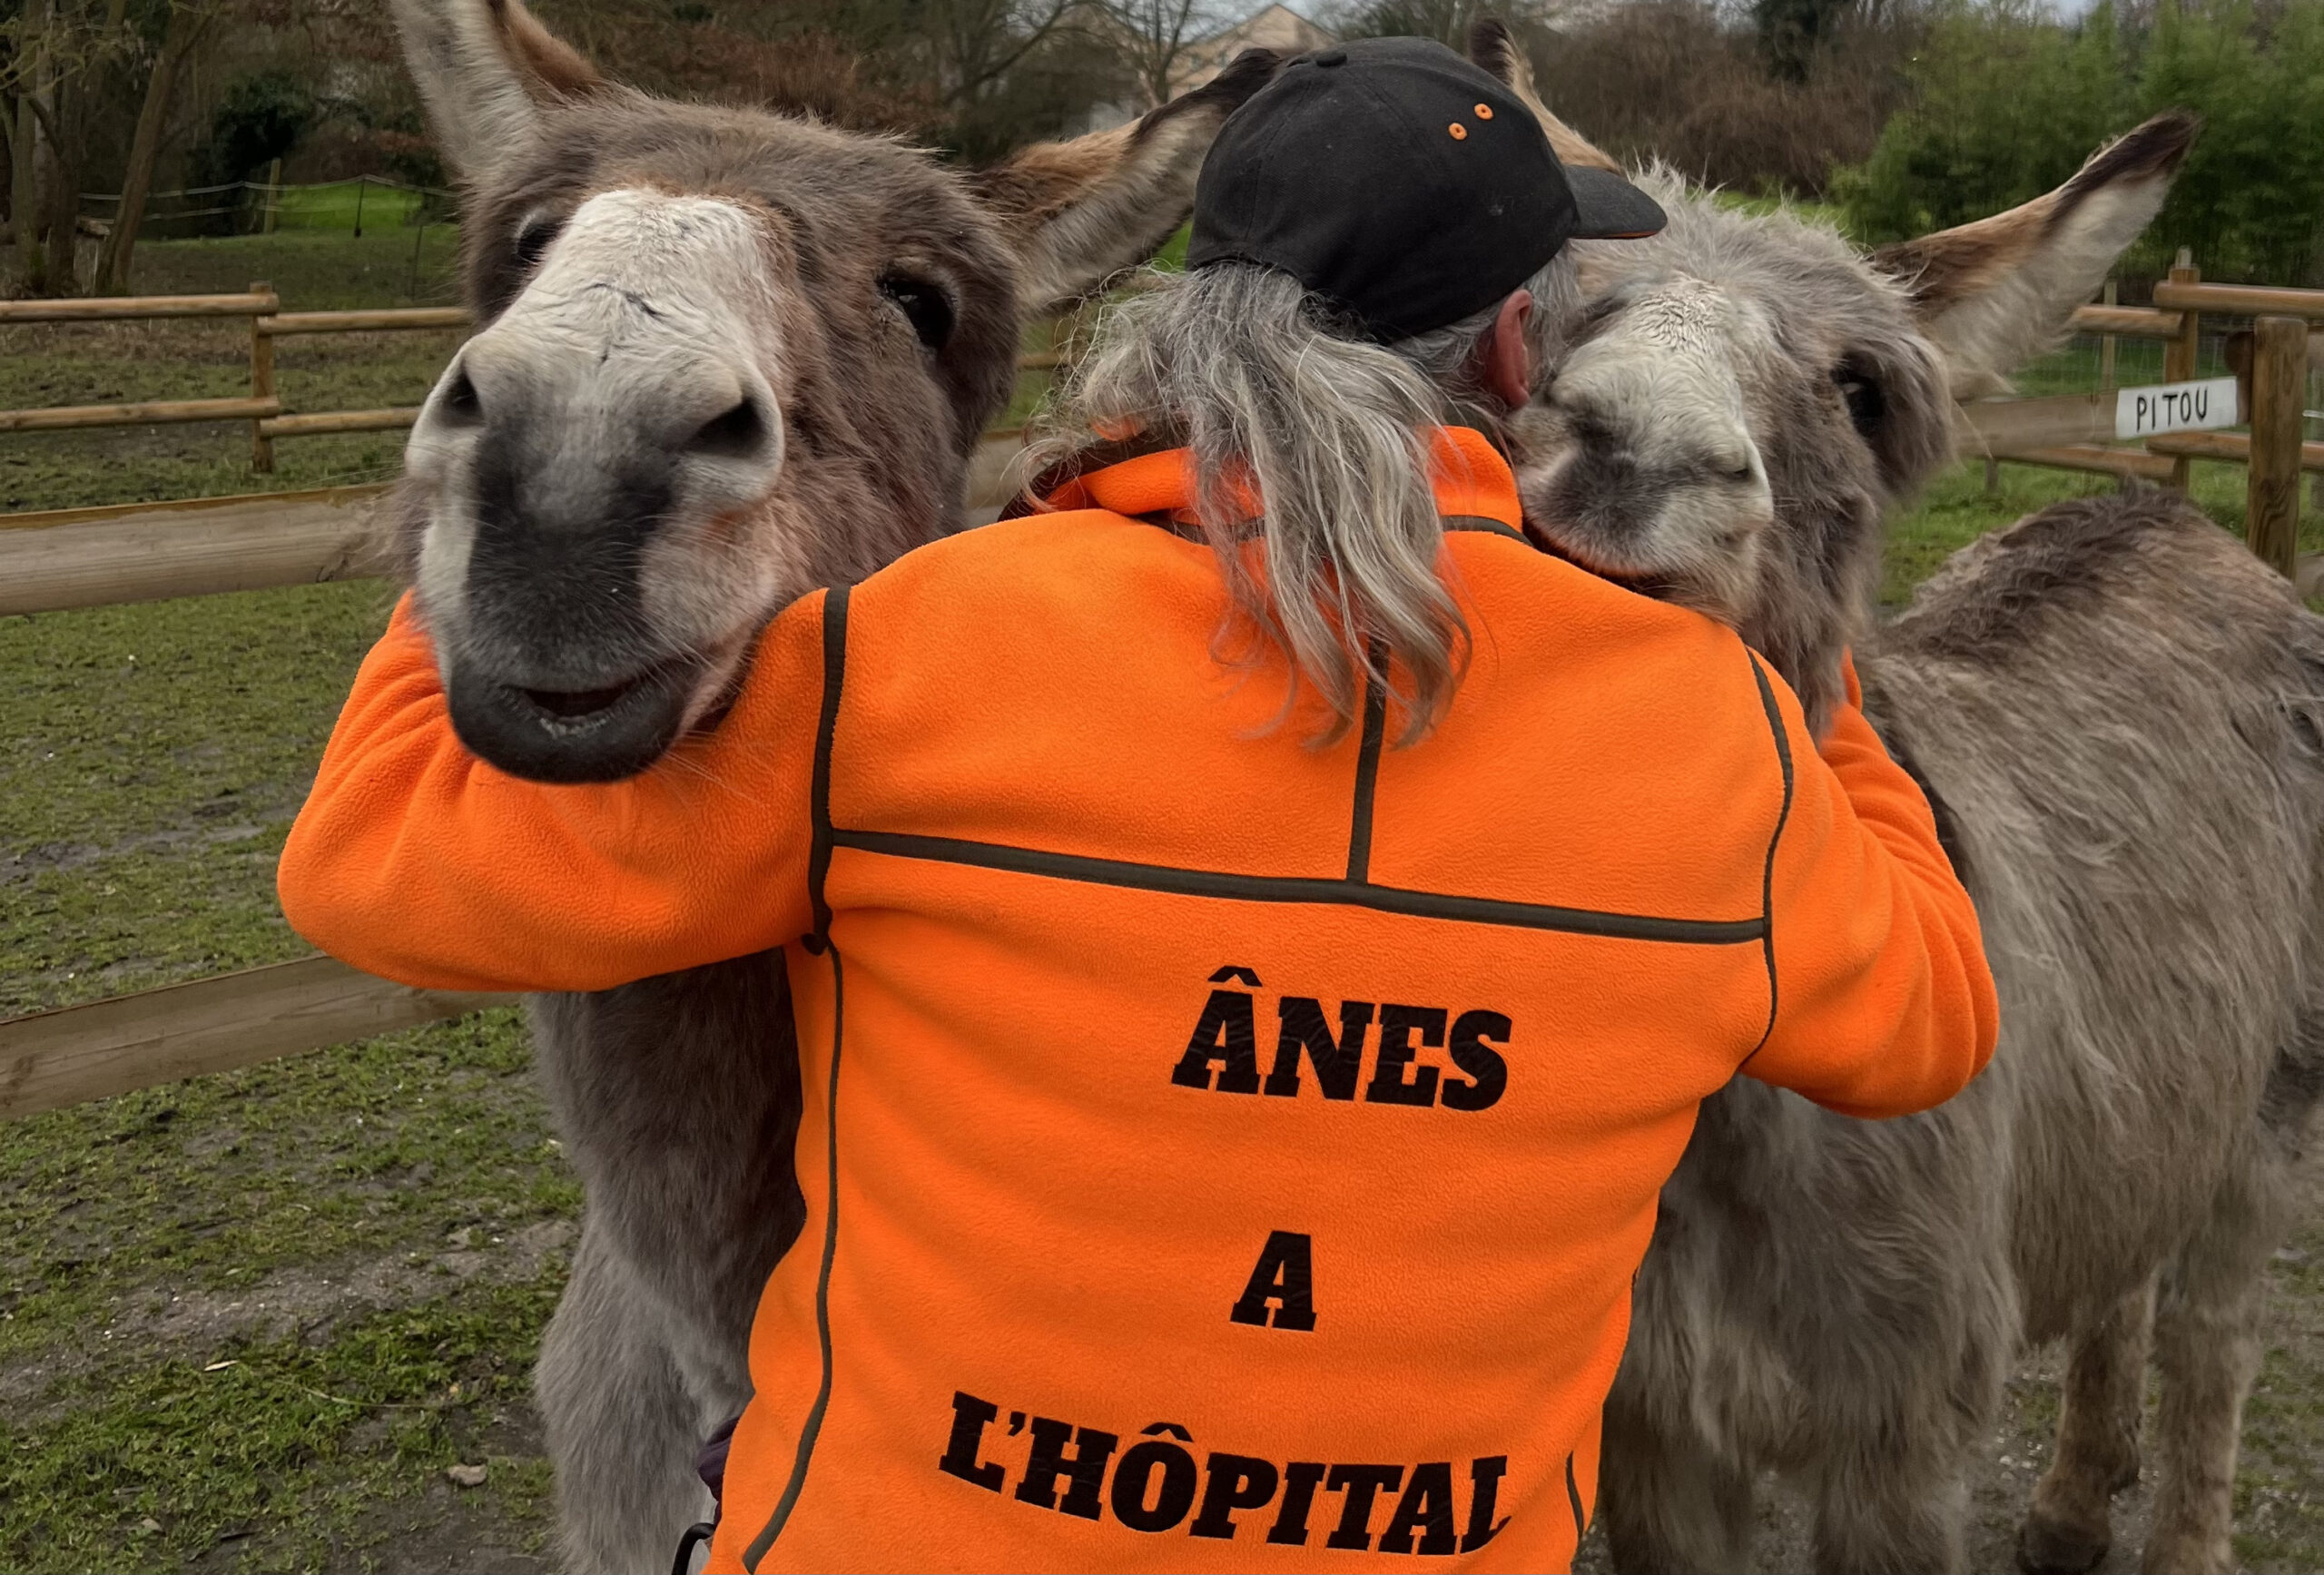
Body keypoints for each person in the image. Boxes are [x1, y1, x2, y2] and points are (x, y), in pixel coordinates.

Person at [278, 37, 1996, 1574]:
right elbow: (1928, 1022)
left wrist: (486, 520)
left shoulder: (912, 658)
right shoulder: (1711, 743)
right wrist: (1812, 690)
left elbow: (379, 870)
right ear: (1524, 344)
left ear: (1205, 280)